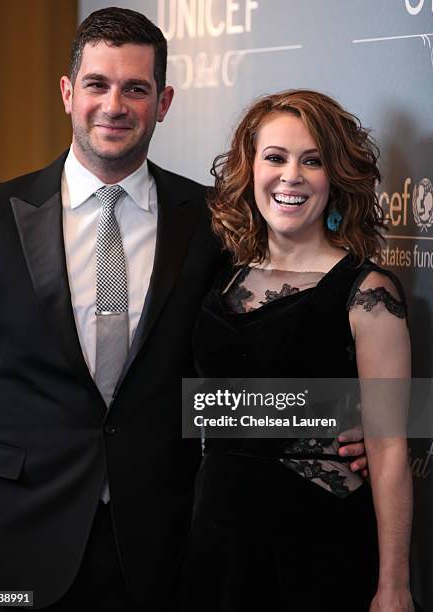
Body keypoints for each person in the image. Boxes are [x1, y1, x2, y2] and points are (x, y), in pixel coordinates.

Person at [0, 9, 366, 611]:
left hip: (162, 540)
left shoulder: (217, 222)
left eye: (136, 88)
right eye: (98, 85)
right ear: (69, 93)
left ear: (165, 101)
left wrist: (349, 417)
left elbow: (229, 365)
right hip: (12, 533)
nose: (114, 105)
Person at [180, 90, 413, 611]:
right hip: (217, 542)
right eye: (276, 157)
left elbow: (391, 448)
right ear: (250, 168)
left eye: (313, 160)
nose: (291, 176)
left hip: (315, 547)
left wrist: (393, 586)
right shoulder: (221, 275)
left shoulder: (368, 291)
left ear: (336, 178)